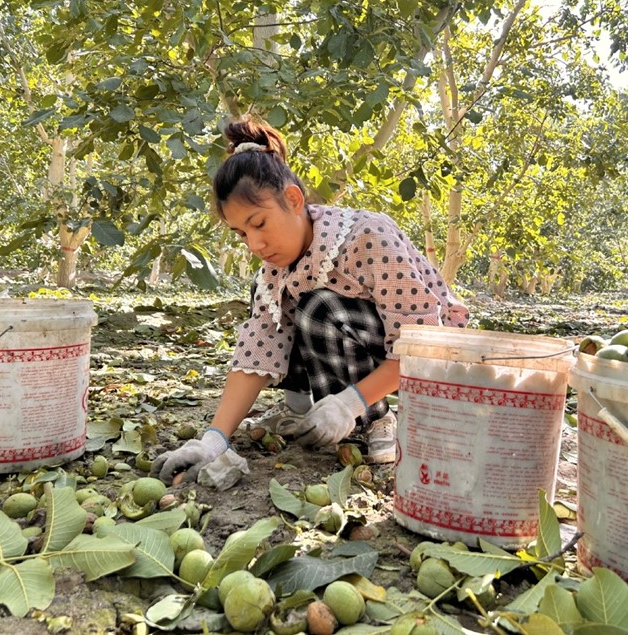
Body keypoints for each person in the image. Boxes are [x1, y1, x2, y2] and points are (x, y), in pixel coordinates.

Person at [151, 116, 469, 484]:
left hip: (428, 357)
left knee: (320, 308)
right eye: (241, 234)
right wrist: (213, 439)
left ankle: (377, 416)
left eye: (259, 224)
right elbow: (258, 348)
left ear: (293, 199)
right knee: (272, 301)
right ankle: (309, 408)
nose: (255, 245)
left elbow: (421, 347)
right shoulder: (275, 272)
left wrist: (347, 405)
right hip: (355, 355)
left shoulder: (367, 236)